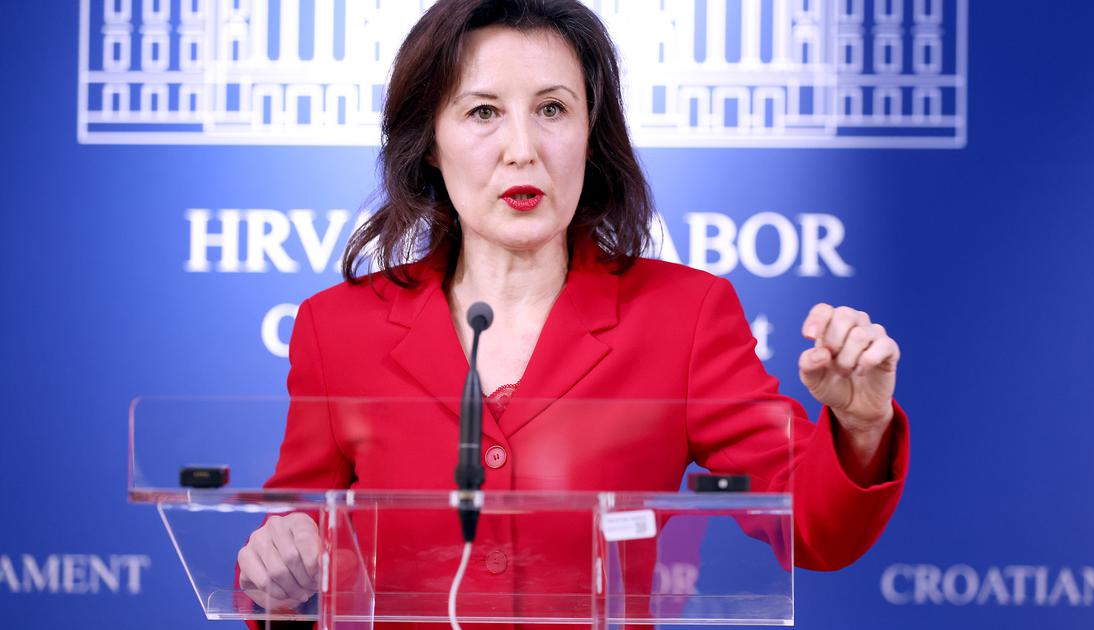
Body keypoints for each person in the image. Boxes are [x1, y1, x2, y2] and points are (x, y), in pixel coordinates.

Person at [236, 0, 908, 618]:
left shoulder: (684, 317)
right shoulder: (339, 329)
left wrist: (860, 427)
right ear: (431, 142)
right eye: (482, 112)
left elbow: (813, 528)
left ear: (591, 132)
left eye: (553, 109)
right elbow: (282, 554)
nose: (523, 149)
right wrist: (277, 570)